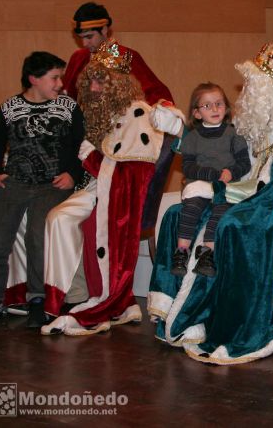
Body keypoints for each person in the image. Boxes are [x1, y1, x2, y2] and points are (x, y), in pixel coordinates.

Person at [147, 44, 273, 364]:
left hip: (269, 198)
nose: (246, 92)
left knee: (231, 226)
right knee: (178, 213)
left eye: (253, 85)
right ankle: (185, 313)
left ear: (269, 89)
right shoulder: (251, 120)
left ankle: (217, 320)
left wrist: (263, 184)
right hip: (237, 189)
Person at [40, 41, 179, 335]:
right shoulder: (94, 111)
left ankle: (87, 298)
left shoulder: (138, 114)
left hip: (111, 194)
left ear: (117, 84)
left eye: (100, 81)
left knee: (62, 218)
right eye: (88, 80)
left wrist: (89, 156)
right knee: (53, 215)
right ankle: (70, 296)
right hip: (92, 185)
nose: (92, 87)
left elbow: (131, 172)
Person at [0, 51, 84, 328]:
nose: (60, 83)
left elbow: (79, 145)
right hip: (16, 183)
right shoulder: (10, 108)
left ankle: (37, 298)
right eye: (54, 78)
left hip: (52, 185)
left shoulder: (68, 107)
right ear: (34, 79)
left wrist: (72, 174)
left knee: (37, 235)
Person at [170, 83, 250, 277]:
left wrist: (231, 172)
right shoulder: (192, 138)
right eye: (207, 106)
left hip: (225, 185)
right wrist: (210, 174)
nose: (214, 109)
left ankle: (207, 253)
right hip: (199, 184)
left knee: (221, 210)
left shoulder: (234, 134)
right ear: (197, 113)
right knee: (191, 208)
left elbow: (244, 163)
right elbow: (187, 166)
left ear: (226, 107)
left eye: (218, 104)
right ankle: (181, 252)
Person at [63, 2, 173, 104]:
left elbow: (154, 92)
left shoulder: (124, 55)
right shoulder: (78, 57)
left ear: (104, 29)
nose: (84, 43)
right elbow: (66, 97)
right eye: (80, 38)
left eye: (89, 37)